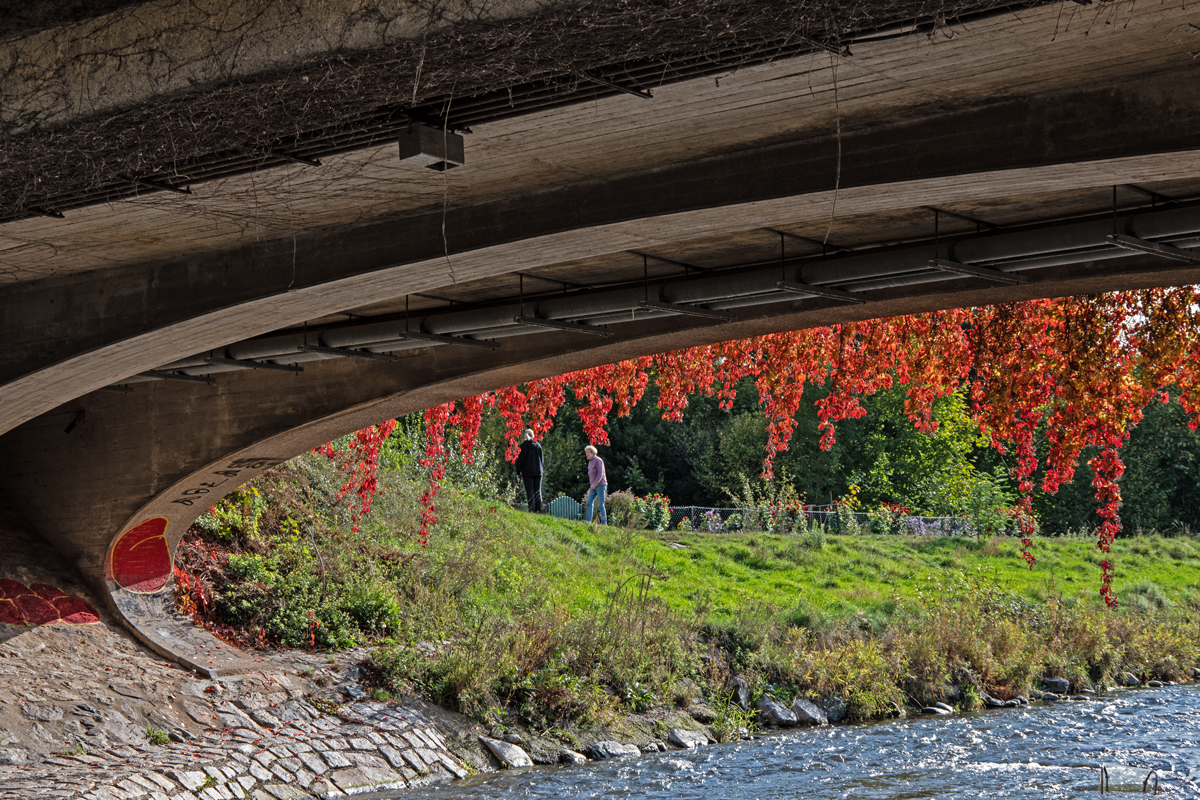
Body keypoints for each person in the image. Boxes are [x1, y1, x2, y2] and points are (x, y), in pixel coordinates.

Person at [514, 429, 543, 513]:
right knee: (538, 492)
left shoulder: (522, 447)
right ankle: (539, 511)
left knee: (530, 491)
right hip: (538, 471)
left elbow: (519, 461)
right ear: (533, 435)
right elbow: (542, 460)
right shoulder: (538, 446)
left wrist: (518, 473)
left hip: (527, 472)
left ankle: (532, 511)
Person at [584, 445, 607, 524]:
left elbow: (600, 474)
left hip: (600, 485)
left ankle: (604, 524)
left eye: (588, 452)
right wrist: (592, 484)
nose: (587, 454)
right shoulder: (590, 462)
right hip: (593, 486)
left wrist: (594, 484)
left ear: (593, 453)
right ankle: (588, 522)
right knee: (589, 502)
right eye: (586, 453)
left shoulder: (598, 460)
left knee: (600, 505)